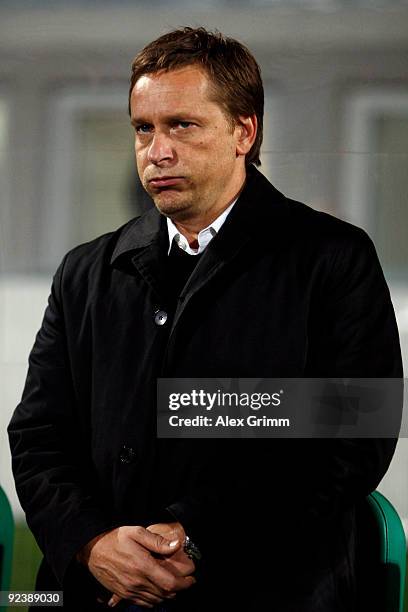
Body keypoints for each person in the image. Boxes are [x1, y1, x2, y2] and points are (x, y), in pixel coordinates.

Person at [8, 26, 403, 612]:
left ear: (244, 131)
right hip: (96, 590)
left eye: (182, 126)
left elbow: (353, 436)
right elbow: (40, 437)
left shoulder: (331, 258)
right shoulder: (85, 272)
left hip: (269, 587)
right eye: (144, 128)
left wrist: (194, 536)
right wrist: (92, 543)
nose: (156, 150)